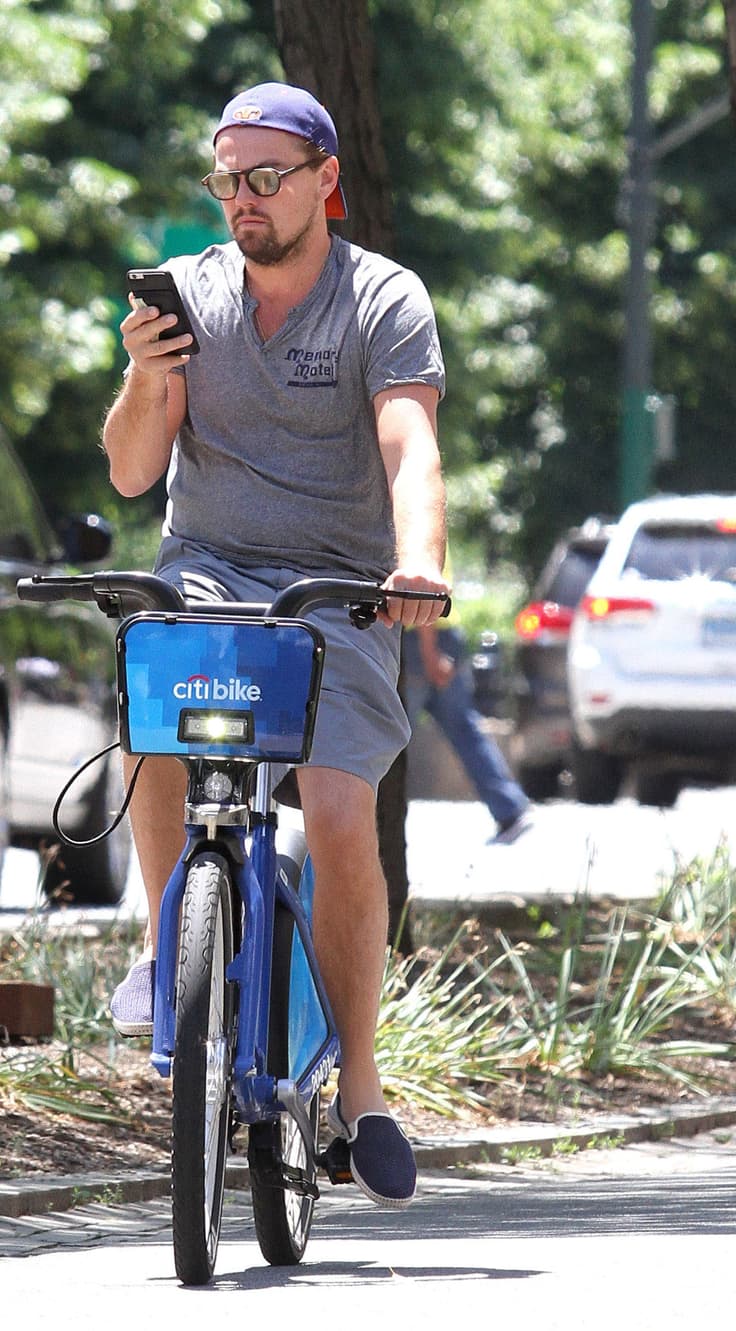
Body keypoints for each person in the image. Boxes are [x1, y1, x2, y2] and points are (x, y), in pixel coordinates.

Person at [101, 82, 449, 1209]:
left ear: (323, 184)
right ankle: (168, 956)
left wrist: (419, 562)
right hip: (207, 567)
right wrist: (150, 374)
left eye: (265, 178)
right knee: (152, 718)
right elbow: (129, 471)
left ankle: (361, 1083)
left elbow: (409, 444)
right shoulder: (194, 294)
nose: (242, 201)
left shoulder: (381, 298)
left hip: (337, 591)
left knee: (340, 812)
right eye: (227, 180)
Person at [400, 622, 532, 842]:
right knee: (465, 730)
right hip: (442, 637)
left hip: (422, 640)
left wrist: (429, 651)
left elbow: (428, 593)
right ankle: (509, 808)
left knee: (389, 737)